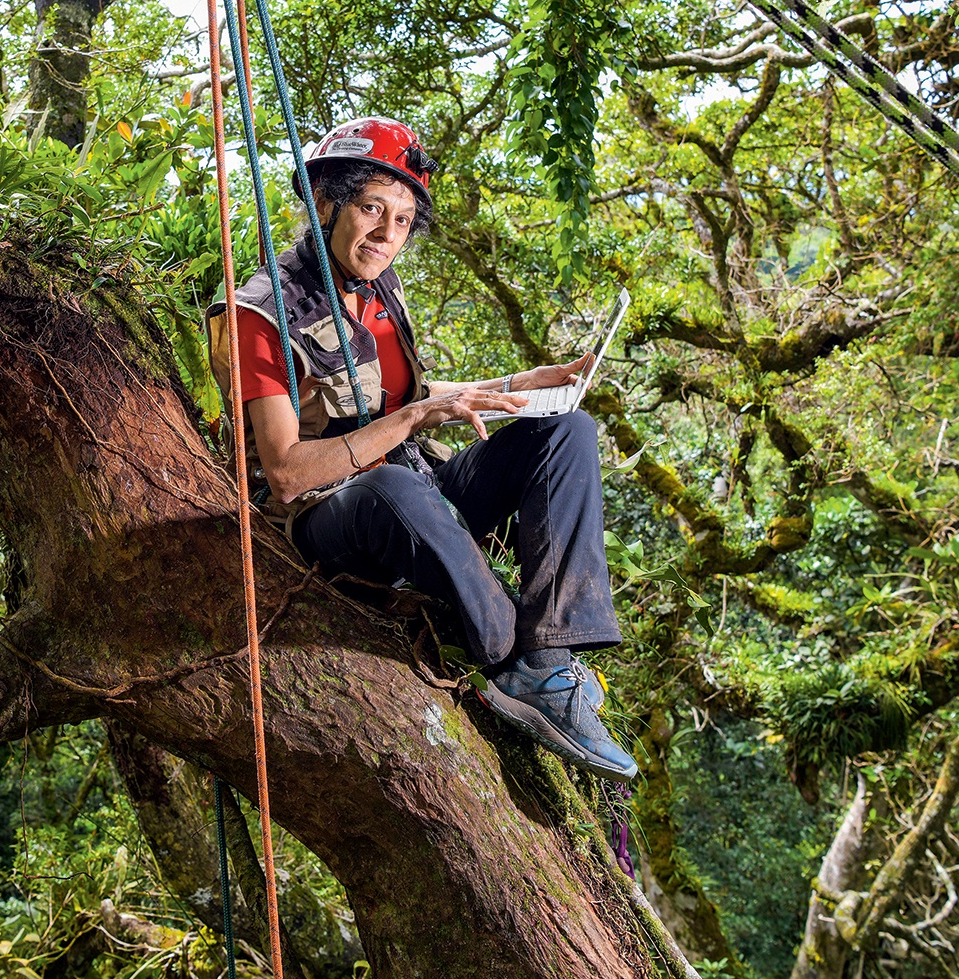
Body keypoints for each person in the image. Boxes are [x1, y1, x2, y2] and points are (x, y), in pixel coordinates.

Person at [206, 116, 637, 782]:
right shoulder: (259, 314)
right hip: (331, 512)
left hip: (414, 489)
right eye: (371, 208)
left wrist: (517, 386)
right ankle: (502, 658)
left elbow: (406, 395)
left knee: (565, 431)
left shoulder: (377, 288)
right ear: (325, 202)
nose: (386, 234)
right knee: (393, 487)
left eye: (403, 220)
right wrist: (411, 420)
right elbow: (288, 471)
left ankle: (549, 660)